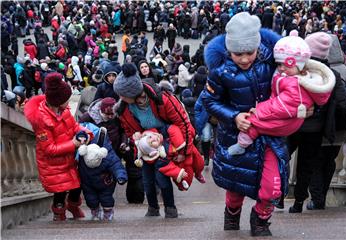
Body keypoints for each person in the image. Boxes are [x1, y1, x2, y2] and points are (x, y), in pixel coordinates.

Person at [202, 12, 288, 236]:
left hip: (269, 135)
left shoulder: (274, 61)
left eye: (249, 52)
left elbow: (295, 89)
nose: (243, 59)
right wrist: (234, 116)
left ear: (258, 46)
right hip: (236, 136)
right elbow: (209, 100)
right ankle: (231, 215)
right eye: (237, 53)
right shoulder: (220, 71)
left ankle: (260, 219)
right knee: (235, 188)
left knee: (273, 187)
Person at [113, 63, 204, 218]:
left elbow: (183, 122)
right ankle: (153, 208)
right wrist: (134, 137)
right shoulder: (124, 108)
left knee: (161, 173)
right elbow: (130, 130)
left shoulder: (162, 98)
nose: (120, 98)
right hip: (145, 141)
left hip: (167, 135)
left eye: (122, 95)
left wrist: (183, 151)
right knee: (147, 179)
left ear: (132, 94)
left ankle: (170, 208)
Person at [227, 33, 335, 155]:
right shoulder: (290, 77)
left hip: (286, 121)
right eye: (279, 64)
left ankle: (242, 144)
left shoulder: (295, 84)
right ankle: (242, 143)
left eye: (287, 64)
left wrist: (259, 110)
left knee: (252, 122)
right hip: (285, 118)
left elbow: (282, 106)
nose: (281, 68)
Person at [24, 72, 91, 221]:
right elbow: (49, 149)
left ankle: (73, 206)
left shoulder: (64, 111)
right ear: (58, 101)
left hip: (68, 158)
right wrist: (72, 144)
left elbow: (75, 127)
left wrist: (85, 133)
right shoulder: (42, 119)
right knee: (60, 190)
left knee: (76, 185)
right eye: (66, 99)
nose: (69, 102)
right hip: (53, 164)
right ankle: (59, 212)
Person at [287, 32, 342, 213]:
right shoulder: (332, 75)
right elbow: (340, 100)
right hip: (316, 129)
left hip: (294, 125)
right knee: (306, 166)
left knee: (281, 157)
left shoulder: (299, 70)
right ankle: (298, 203)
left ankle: (278, 195)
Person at [77, 122, 128, 221]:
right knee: (90, 199)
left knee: (106, 198)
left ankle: (108, 212)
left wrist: (121, 176)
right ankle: (95, 211)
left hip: (105, 181)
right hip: (88, 182)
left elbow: (116, 165)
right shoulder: (81, 153)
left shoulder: (107, 154)